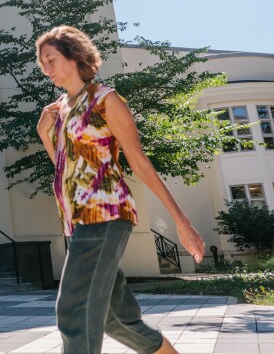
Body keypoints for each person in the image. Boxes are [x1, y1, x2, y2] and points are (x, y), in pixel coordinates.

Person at [35, 25, 205, 354]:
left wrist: (181, 221)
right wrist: (46, 136)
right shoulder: (62, 108)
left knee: (74, 308)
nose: (46, 68)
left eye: (51, 60)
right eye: (42, 63)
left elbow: (139, 162)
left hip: (106, 214)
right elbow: (67, 169)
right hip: (80, 220)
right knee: (117, 320)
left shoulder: (105, 99)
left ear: (73, 57)